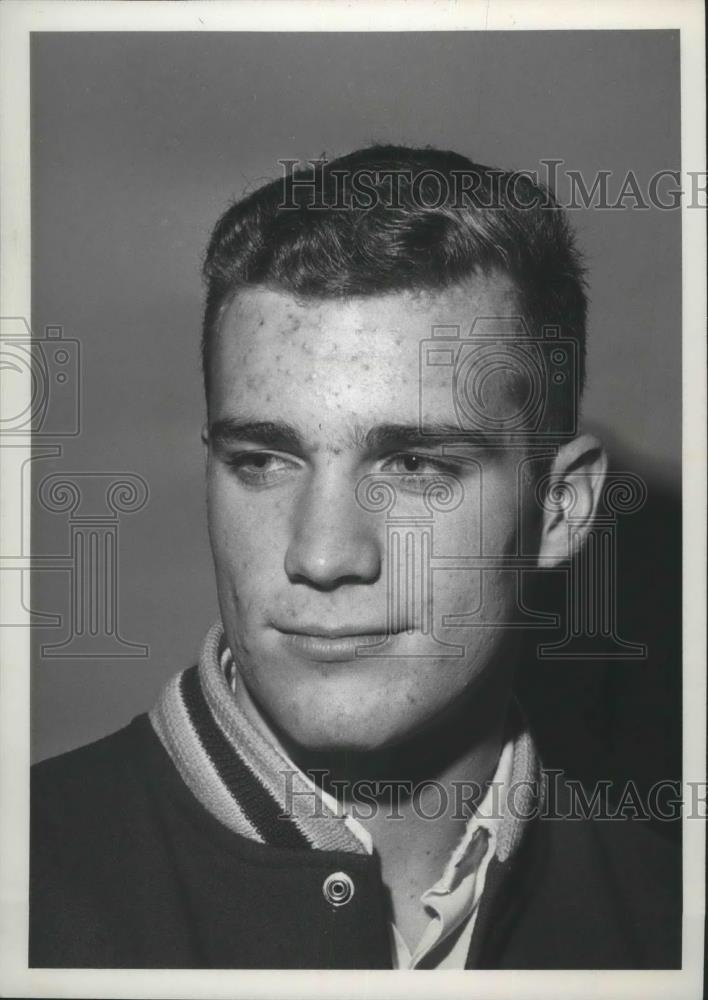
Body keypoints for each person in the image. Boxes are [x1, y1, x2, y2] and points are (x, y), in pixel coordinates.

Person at [30, 145, 680, 970]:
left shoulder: (669, 918)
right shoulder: (26, 881)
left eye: (414, 465)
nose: (323, 555)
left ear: (561, 508)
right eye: (263, 460)